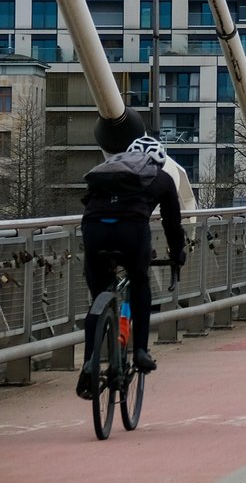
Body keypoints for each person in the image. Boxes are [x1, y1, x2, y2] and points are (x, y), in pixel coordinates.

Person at [79, 135, 186, 382]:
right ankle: (140, 351)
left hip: (94, 228)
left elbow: (89, 203)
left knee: (97, 298)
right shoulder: (161, 177)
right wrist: (177, 253)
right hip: (131, 231)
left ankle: (88, 364)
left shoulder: (108, 170)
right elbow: (172, 223)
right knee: (139, 283)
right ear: (158, 161)